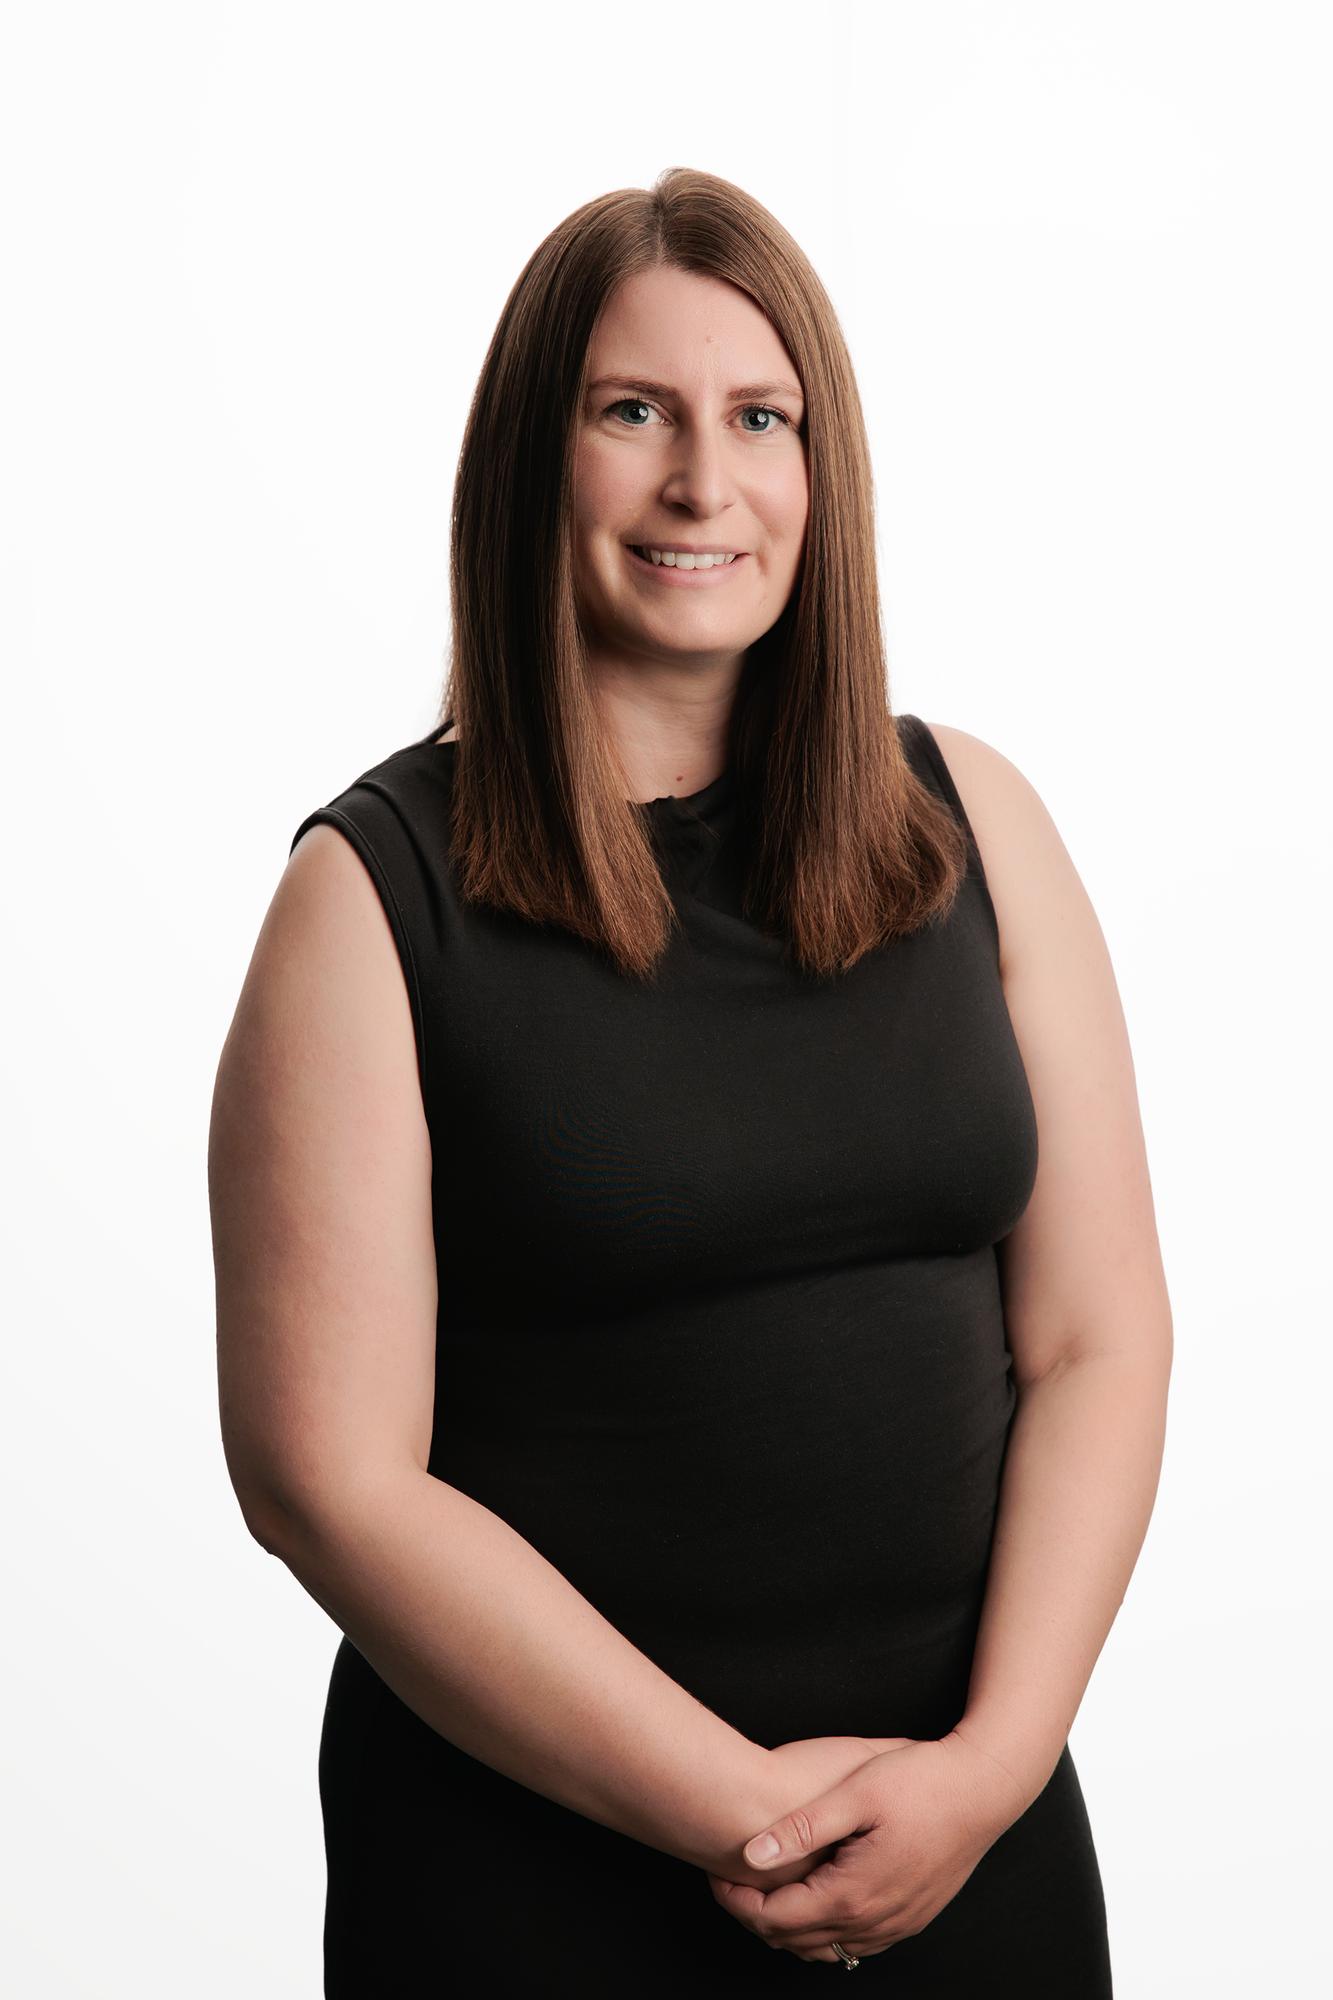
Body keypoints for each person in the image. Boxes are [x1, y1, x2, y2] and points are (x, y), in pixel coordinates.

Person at [209, 167, 1172, 1994]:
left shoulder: (970, 824)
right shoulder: (370, 898)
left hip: (970, 1854)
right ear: (530, 461)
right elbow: (324, 1477)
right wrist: (746, 1818)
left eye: (759, 419)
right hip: (537, 1879)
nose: (700, 485)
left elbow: (1096, 1338)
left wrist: (987, 1770)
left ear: (823, 472)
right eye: (630, 412)